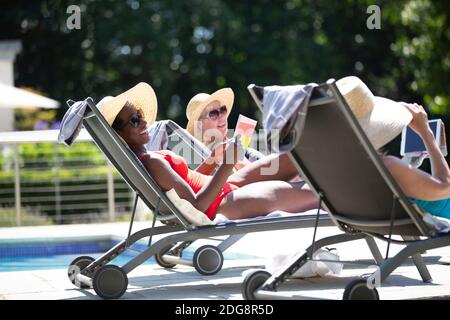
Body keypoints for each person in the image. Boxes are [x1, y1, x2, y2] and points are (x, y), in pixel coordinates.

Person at [98, 82, 318, 221]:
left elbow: (190, 183)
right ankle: (347, 193)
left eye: (140, 114)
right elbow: (197, 206)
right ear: (119, 134)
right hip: (223, 203)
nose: (144, 121)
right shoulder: (153, 163)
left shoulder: (148, 160)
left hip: (222, 187)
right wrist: (228, 164)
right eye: (135, 120)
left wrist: (213, 160)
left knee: (289, 160)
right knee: (315, 194)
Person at [336, 76, 450, 220]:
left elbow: (399, 183)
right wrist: (427, 134)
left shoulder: (343, 175)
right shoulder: (389, 166)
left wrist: (408, 164)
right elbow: (446, 187)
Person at [185, 88, 264, 174]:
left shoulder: (244, 151)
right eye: (213, 114)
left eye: (223, 110)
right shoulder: (193, 160)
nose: (222, 117)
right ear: (199, 125)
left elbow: (264, 178)